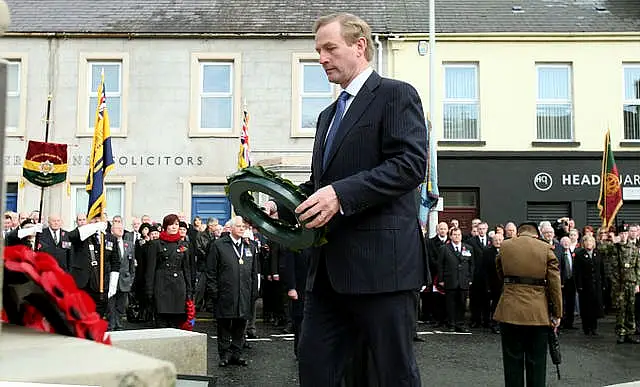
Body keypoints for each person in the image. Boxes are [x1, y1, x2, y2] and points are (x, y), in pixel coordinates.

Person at [294, 13, 428, 387]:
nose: (321, 58)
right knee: (315, 369)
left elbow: (409, 164)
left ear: (359, 46)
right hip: (327, 274)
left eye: (330, 48)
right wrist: (285, 204)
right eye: (318, 50)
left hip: (382, 269)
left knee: (392, 374)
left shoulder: (396, 95)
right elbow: (322, 183)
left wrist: (340, 194)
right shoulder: (326, 116)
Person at [494, 222, 562, 387]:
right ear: (536, 234)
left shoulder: (505, 246)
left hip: (509, 310)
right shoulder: (545, 249)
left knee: (512, 362)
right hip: (537, 313)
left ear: (518, 232)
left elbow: (499, 272)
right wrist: (557, 313)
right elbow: (554, 283)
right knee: (537, 362)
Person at [145, 214, 192, 328]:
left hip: (179, 288)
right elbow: (150, 269)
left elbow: (187, 269)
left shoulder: (184, 245)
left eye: (176, 224)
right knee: (162, 324)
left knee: (177, 324)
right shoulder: (156, 244)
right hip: (162, 287)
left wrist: (190, 290)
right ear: (165, 226)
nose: (174, 227)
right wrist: (149, 291)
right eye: (171, 224)